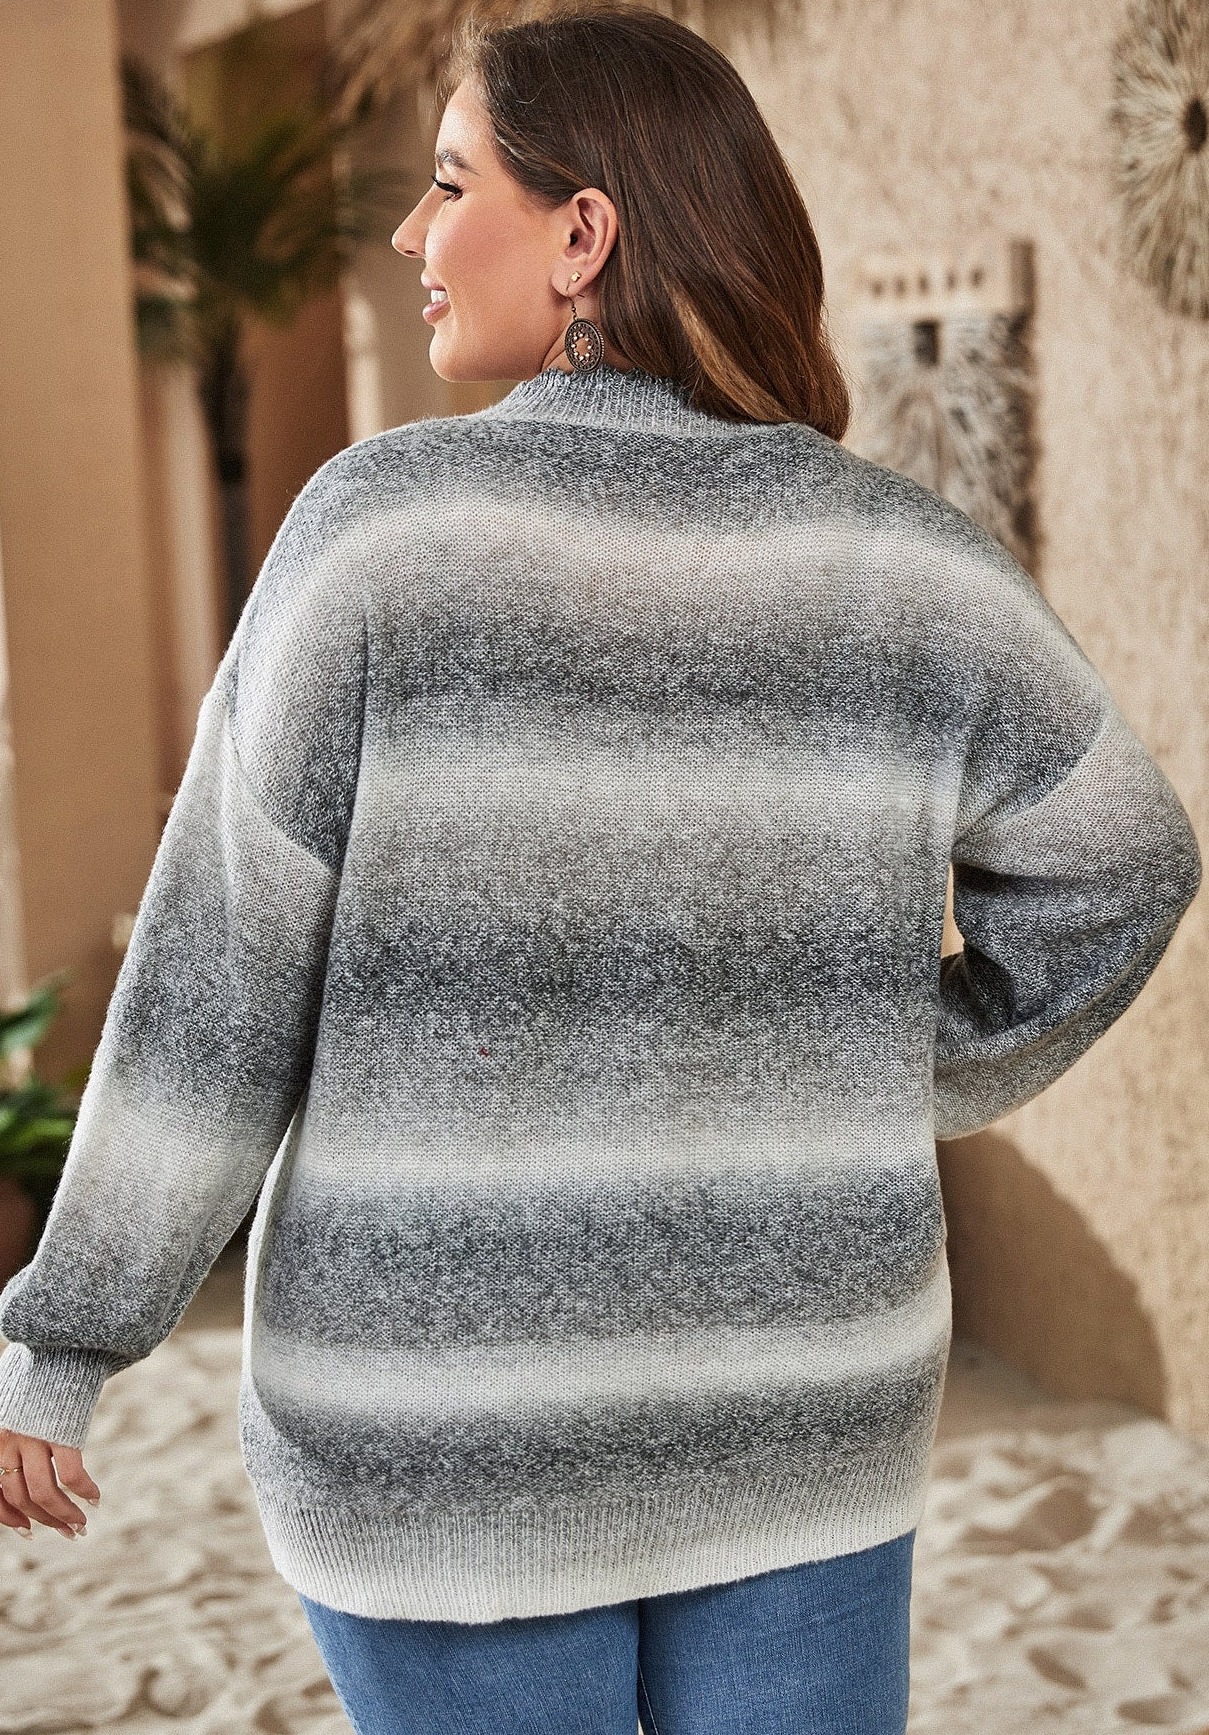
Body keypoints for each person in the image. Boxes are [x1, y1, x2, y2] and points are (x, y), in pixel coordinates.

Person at [0, 3, 1201, 1731]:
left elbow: (216, 984)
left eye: (447, 185)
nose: (409, 236)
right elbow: (1122, 870)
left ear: (583, 233)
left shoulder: (377, 539)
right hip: (801, 1406)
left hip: (438, 1435)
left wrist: (69, 1340)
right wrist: (872, 1066)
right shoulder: (906, 564)